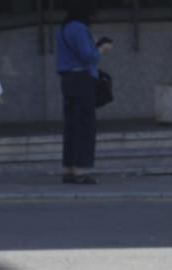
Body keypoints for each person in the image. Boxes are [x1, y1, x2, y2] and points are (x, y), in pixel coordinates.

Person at [56, 2, 111, 185]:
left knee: (71, 126)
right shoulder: (79, 28)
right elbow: (89, 56)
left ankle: (68, 169)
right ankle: (81, 170)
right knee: (84, 126)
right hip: (82, 79)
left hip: (67, 79)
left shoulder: (63, 29)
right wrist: (101, 50)